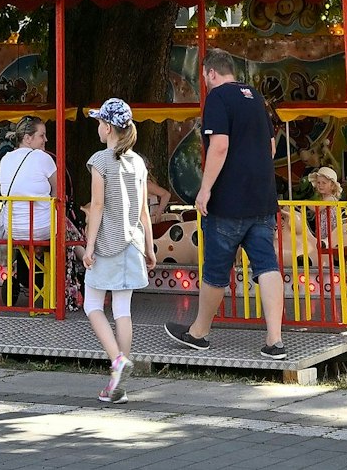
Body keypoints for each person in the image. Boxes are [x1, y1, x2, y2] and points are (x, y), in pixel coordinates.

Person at [168, 48, 285, 359]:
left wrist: (205, 190)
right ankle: (275, 341)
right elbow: (271, 146)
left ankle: (199, 332)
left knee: (217, 270)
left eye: (205, 77)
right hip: (262, 199)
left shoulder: (218, 98)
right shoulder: (256, 97)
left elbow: (219, 146)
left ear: (210, 73)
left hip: (228, 202)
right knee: (267, 266)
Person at [81, 99, 153, 403]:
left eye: (99, 122)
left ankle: (117, 360)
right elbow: (143, 210)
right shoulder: (138, 162)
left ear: (108, 127)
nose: (98, 127)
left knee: (92, 305)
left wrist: (88, 245)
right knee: (122, 310)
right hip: (133, 244)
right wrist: (150, 246)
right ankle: (117, 381)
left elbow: (97, 206)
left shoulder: (100, 160)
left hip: (107, 244)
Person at [0, 116, 57, 304]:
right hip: (42, 227)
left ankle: (23, 275)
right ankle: (82, 271)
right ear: (28, 138)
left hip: (13, 228)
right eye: (42, 135)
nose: (45, 140)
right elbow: (57, 191)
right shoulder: (43, 158)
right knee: (68, 229)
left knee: (27, 234)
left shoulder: (6, 159)